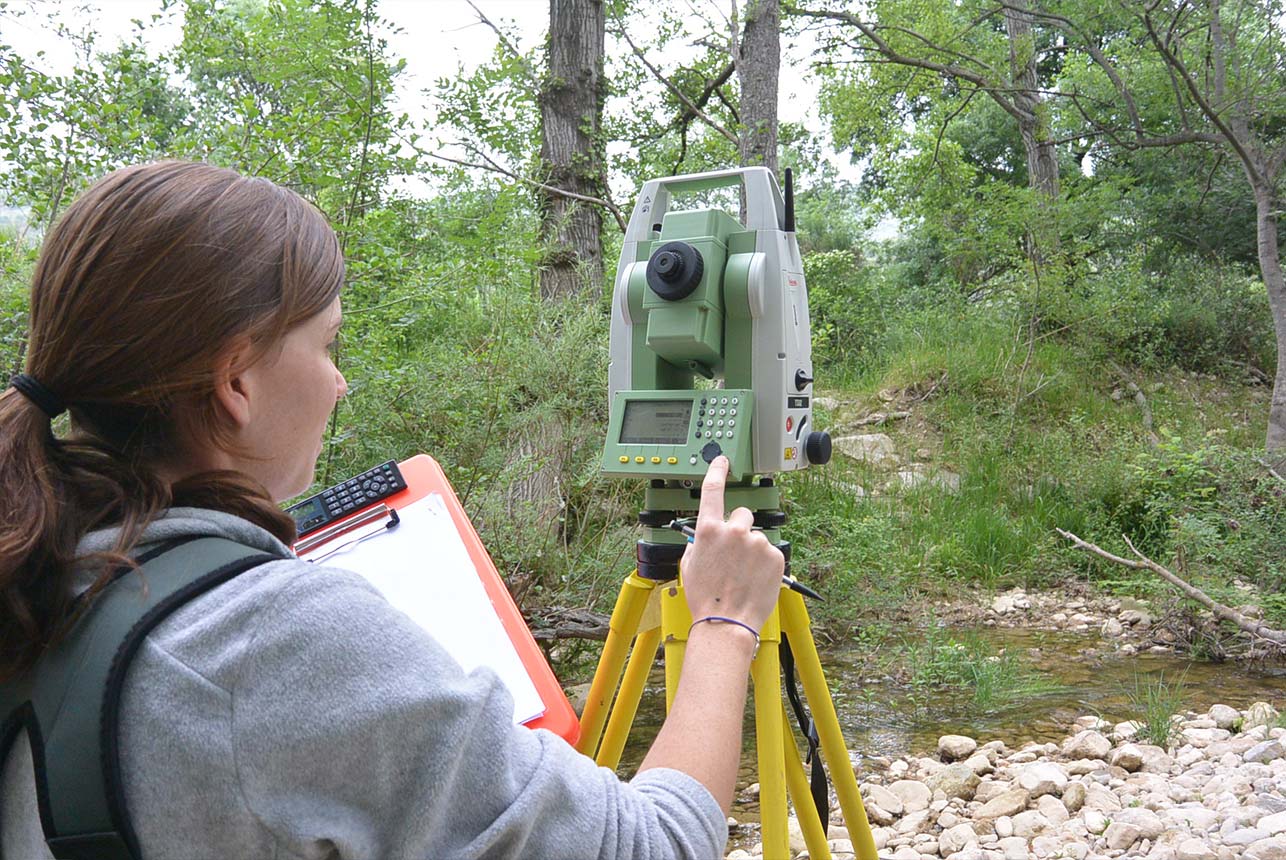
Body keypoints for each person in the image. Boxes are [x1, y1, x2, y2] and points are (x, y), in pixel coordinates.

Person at [0, 161, 785, 859]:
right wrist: (721, 623)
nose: (339, 384)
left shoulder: (39, 567)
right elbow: (654, 847)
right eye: (328, 344)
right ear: (235, 380)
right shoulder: (274, 641)